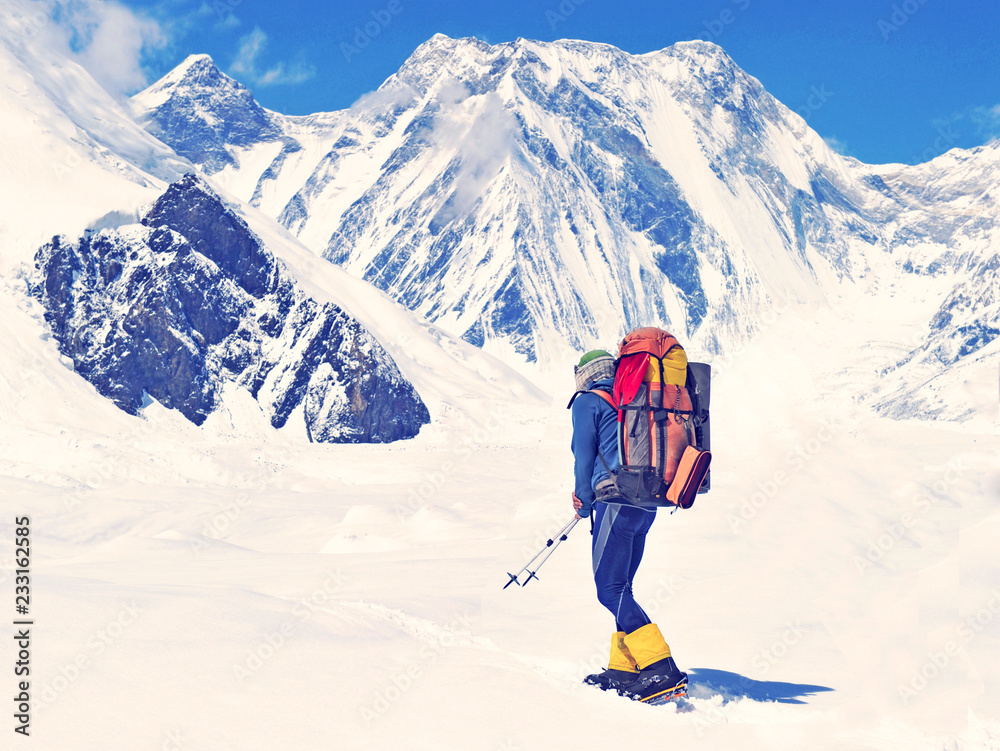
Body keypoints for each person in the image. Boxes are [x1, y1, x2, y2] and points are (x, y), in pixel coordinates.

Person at [570, 349, 688, 702]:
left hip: (615, 503)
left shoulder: (588, 402)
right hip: (646, 503)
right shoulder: (634, 399)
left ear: (586, 374)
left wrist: (582, 499)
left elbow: (584, 457)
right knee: (622, 588)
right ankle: (625, 668)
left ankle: (661, 670)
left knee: (609, 590)